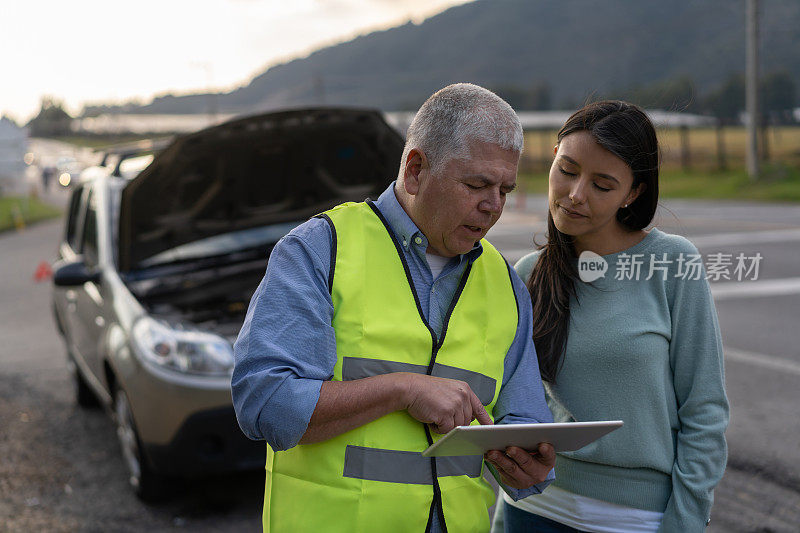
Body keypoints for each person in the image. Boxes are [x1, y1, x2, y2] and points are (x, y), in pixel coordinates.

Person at [232, 83, 557, 532]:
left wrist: (529, 466)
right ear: (416, 169)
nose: (493, 206)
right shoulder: (319, 250)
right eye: (477, 184)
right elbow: (266, 404)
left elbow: (525, 421)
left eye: (505, 189)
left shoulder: (505, 283)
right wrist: (401, 389)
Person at [491, 101, 729, 533]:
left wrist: (685, 522)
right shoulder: (527, 274)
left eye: (602, 184)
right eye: (567, 170)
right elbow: (515, 404)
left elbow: (705, 410)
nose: (576, 194)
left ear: (633, 193)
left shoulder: (674, 264)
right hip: (532, 512)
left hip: (635, 519)